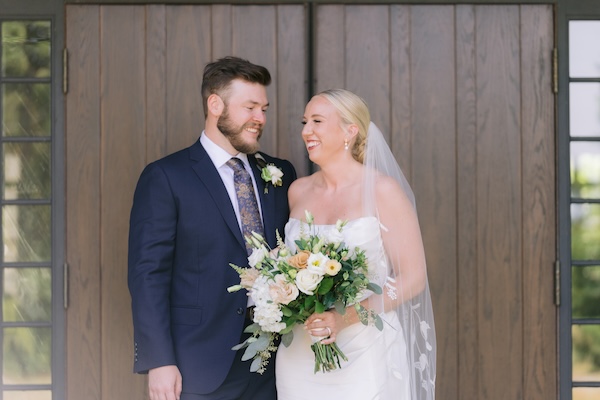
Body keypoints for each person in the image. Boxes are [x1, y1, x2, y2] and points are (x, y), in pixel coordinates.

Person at [128, 56, 296, 400]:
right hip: (198, 364)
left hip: (277, 364)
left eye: (264, 109)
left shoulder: (281, 174)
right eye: (250, 107)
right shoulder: (166, 177)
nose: (260, 119)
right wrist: (159, 360)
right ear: (215, 104)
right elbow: (148, 275)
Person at [275, 89, 436, 399]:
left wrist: (346, 317)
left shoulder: (382, 190)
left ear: (351, 130)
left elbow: (412, 278)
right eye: (305, 121)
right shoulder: (297, 191)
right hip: (300, 356)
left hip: (365, 351)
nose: (306, 130)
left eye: (317, 121)